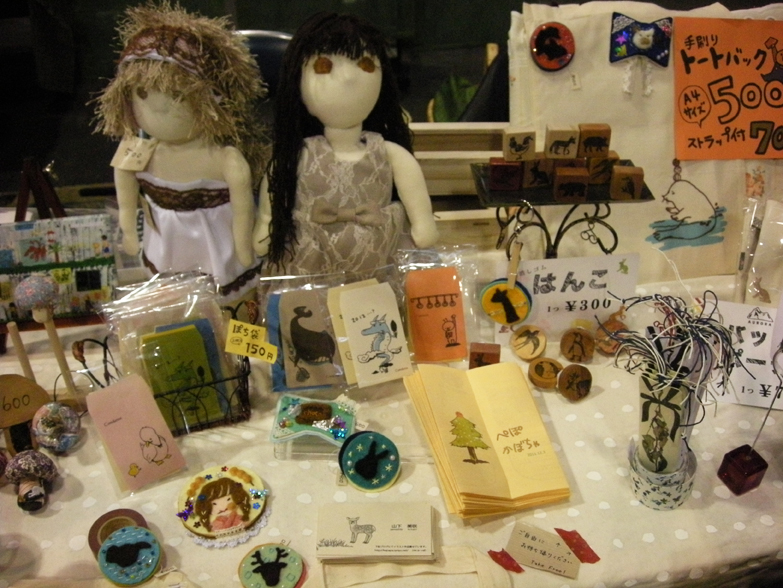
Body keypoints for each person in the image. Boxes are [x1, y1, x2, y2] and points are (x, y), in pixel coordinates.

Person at [94, 2, 267, 298]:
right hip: (165, 243)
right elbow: (125, 185)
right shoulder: (138, 148)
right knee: (173, 299)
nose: (157, 107)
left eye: (176, 95)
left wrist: (243, 247)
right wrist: (128, 228)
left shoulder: (225, 158)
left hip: (217, 247)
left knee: (228, 300)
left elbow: (243, 211)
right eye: (142, 93)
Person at [253, 12, 438, 276]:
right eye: (324, 66)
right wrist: (266, 223)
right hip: (310, 259)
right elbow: (275, 189)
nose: (349, 78)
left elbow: (415, 194)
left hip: (377, 256)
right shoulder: (299, 155)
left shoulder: (387, 152)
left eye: (365, 64)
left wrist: (422, 222)